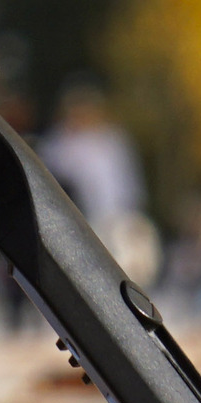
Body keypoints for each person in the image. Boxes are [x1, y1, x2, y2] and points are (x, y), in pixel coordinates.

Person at [38, 81, 160, 284]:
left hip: (121, 216)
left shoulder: (113, 140)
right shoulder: (63, 143)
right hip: (87, 222)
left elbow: (129, 181)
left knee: (132, 268)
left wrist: (132, 213)